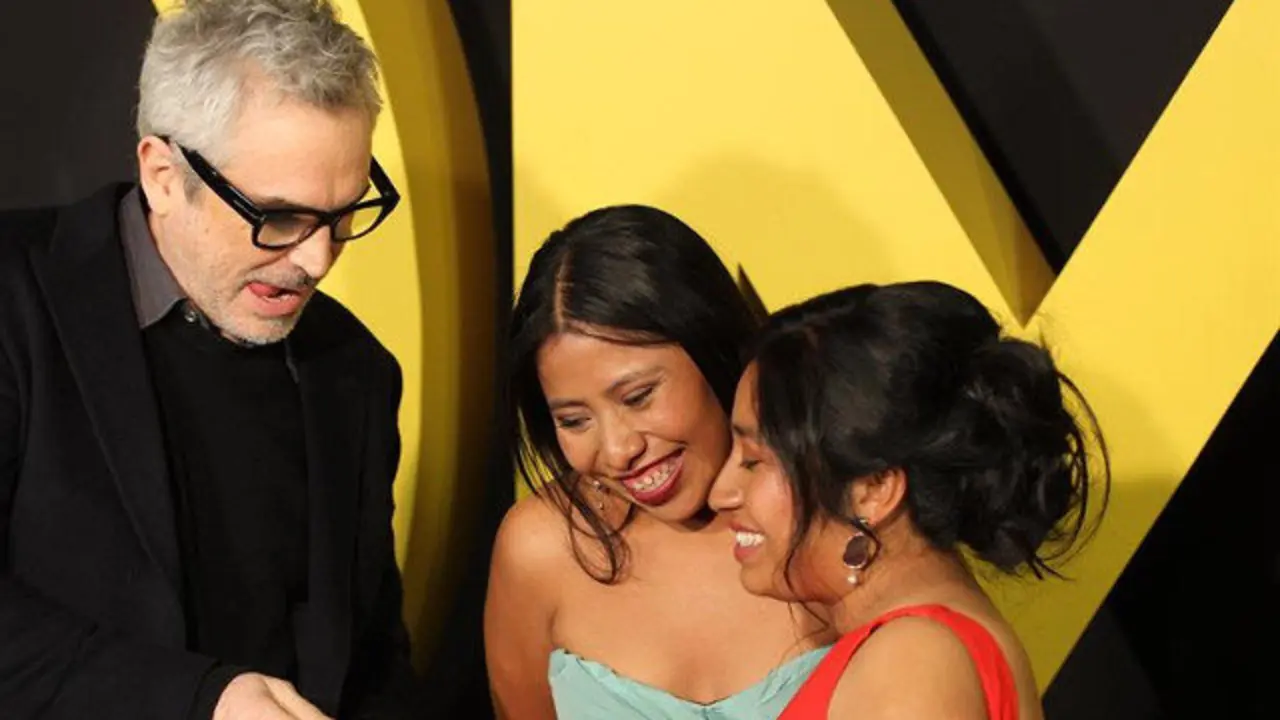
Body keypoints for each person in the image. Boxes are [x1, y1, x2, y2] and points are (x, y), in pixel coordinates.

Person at [0, 1, 422, 718]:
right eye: (278, 217)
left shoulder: (355, 371)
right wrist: (200, 700)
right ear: (164, 175)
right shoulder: (14, 299)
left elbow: (373, 664)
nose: (316, 259)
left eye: (344, 214)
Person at [484, 205, 834, 719]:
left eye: (639, 396)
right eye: (576, 421)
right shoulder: (539, 550)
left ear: (712, 347)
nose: (620, 448)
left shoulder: (836, 513)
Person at [710, 281, 1111, 720]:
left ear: (874, 488)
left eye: (753, 460)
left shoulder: (912, 659)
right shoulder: (917, 647)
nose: (721, 493)